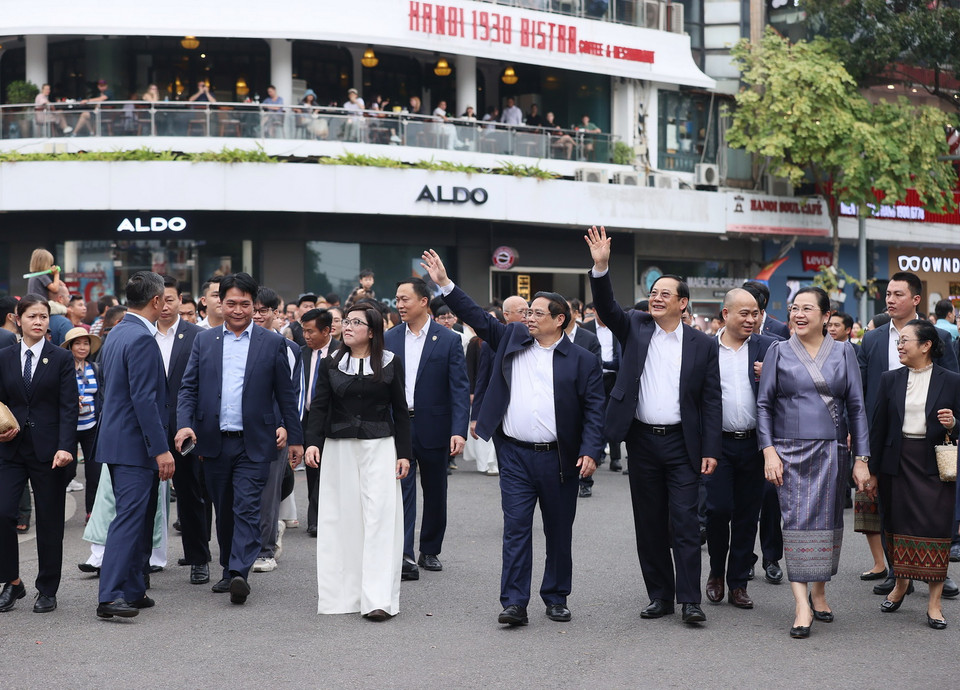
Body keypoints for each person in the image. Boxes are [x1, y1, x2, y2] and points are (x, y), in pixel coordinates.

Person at [421, 249, 604, 626]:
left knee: (558, 531)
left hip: (559, 458)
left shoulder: (582, 359)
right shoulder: (511, 338)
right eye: (528, 312)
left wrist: (591, 451)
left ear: (560, 320)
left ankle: (556, 597)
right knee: (516, 528)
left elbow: (594, 410)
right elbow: (474, 315)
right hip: (516, 455)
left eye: (537, 313)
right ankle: (514, 602)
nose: (529, 318)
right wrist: (445, 283)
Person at [586, 226, 720, 626]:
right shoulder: (635, 326)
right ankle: (659, 595)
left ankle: (690, 599)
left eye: (666, 294)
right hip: (642, 441)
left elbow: (712, 400)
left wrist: (710, 449)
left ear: (683, 304)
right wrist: (601, 267)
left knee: (684, 523)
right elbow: (607, 308)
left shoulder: (702, 344)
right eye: (654, 293)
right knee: (648, 523)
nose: (656, 298)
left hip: (683, 444)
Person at [176, 272, 304, 606]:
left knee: (247, 506)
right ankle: (228, 568)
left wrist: (294, 436)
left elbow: (285, 394)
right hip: (214, 441)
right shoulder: (205, 341)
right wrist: (184, 424)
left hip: (256, 441)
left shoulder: (271, 343)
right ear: (220, 302)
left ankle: (239, 573)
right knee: (225, 507)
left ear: (254, 306)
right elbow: (188, 387)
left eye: (244, 304)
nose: (237, 310)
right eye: (230, 302)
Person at [757, 286, 871, 639]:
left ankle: (819, 591)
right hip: (788, 452)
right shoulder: (778, 351)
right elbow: (764, 405)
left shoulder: (843, 352)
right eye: (794, 308)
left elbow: (856, 406)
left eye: (807, 308)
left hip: (832, 450)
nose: (798, 314)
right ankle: (801, 603)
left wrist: (862, 458)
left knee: (827, 521)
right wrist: (769, 451)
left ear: (825, 316)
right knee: (795, 522)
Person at [304, 304, 411, 620]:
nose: (347, 326)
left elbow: (401, 411)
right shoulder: (330, 363)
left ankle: (378, 599)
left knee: (380, 520)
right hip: (339, 448)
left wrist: (404, 453)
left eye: (355, 322)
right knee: (341, 519)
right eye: (346, 321)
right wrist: (313, 443)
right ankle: (342, 597)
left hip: (380, 447)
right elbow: (319, 408)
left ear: (373, 330)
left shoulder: (391, 362)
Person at [858, 271, 959, 598]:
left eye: (897, 294)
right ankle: (897, 573)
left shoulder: (936, 338)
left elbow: (952, 382)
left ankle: (937, 576)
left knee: (935, 514)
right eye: (887, 293)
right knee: (891, 512)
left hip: (930, 443)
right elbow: (861, 389)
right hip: (888, 437)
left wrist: (950, 421)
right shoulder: (873, 339)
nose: (890, 299)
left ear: (916, 299)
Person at [94, 271, 174, 619]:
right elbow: (144, 399)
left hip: (118, 438)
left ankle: (132, 589)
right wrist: (160, 448)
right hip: (134, 444)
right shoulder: (140, 338)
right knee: (129, 518)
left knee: (139, 517)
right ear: (156, 301)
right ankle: (110, 595)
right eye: (165, 299)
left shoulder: (117, 332)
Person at [385, 277, 469, 581]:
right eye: (396, 299)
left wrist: (458, 430)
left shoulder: (447, 339)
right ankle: (405, 552)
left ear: (423, 301)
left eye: (405, 299)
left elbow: (459, 389)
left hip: (434, 425)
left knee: (435, 491)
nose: (399, 305)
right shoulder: (390, 338)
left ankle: (430, 549)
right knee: (401, 490)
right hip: (399, 426)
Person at [0, 295, 78, 613]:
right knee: (4, 512)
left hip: (50, 451)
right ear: (18, 319)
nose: (39, 321)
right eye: (32, 316)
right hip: (11, 447)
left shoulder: (60, 358)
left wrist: (65, 446)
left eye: (44, 316)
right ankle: (12, 582)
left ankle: (47, 588)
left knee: (49, 522)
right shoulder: (3, 356)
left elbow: (69, 407)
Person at [704, 289, 776, 611]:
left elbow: (785, 390)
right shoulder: (705, 348)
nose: (751, 319)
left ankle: (738, 583)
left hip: (754, 445)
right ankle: (716, 572)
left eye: (755, 313)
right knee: (718, 511)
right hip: (717, 445)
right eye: (744, 313)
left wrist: (772, 375)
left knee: (748, 516)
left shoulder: (768, 347)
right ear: (725, 315)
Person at [155, 276, 209, 585]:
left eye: (171, 299)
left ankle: (198, 558)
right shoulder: (141, 334)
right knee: (145, 497)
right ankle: (144, 560)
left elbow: (202, 386)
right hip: (148, 428)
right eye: (159, 300)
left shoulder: (197, 336)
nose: (164, 305)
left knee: (190, 495)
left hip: (184, 430)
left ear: (181, 302)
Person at [250, 286, 304, 574]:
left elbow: (294, 394)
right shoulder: (233, 341)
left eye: (264, 310)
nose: (257, 315)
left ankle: (265, 549)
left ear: (275, 313)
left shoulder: (289, 348)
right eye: (253, 309)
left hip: (275, 431)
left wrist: (288, 428)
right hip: (240, 431)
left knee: (268, 494)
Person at [300, 308, 339, 537]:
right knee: (312, 468)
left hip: (332, 420)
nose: (306, 336)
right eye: (303, 331)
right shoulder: (301, 353)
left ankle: (322, 518)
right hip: (306, 419)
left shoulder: (341, 353)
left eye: (310, 331)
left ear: (327, 330)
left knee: (329, 471)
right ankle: (315, 518)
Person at [61, 327, 103, 520]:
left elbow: (100, 394)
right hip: (69, 427)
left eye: (85, 343)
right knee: (66, 471)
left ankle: (91, 513)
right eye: (77, 343)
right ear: (70, 347)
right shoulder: (63, 368)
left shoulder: (94, 368)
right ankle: (55, 508)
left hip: (91, 426)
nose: (82, 347)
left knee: (94, 472)